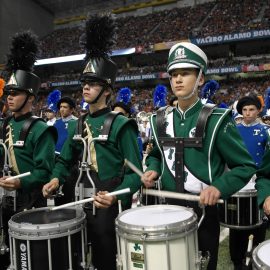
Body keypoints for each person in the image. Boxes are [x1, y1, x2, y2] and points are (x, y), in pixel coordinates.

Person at [141, 42, 257, 270]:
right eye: (174, 74)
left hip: (203, 210)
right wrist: (153, 168)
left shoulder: (217, 119)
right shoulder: (159, 119)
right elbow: (156, 154)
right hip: (167, 207)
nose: (178, 79)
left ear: (201, 79)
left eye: (185, 73)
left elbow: (245, 166)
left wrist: (219, 188)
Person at [42, 14, 142, 270]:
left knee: (104, 257)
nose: (86, 88)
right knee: (75, 255)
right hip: (78, 197)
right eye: (85, 83)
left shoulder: (121, 124)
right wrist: (55, 178)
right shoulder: (78, 123)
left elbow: (135, 175)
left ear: (107, 90)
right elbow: (64, 159)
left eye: (93, 83)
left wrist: (117, 195)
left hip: (108, 201)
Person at [0, 31, 57, 269]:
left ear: (30, 97)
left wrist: (21, 182)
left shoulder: (40, 129)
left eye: (15, 94)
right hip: (7, 202)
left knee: (31, 260)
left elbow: (45, 171)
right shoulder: (6, 124)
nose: (9, 98)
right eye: (8, 94)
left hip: (30, 201)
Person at [228, 95, 270, 270]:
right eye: (244, 110)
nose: (247, 113)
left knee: (257, 222)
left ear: (258, 110)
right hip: (238, 181)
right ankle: (237, 260)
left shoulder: (266, 130)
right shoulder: (233, 130)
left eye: (251, 109)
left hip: (258, 182)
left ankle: (254, 256)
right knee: (235, 222)